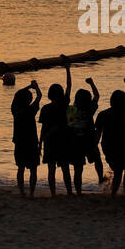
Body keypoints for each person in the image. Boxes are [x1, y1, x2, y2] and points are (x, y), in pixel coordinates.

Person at [39, 63, 73, 196]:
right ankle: (70, 192)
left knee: (51, 169)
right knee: (65, 169)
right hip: (64, 140)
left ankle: (53, 193)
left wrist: (39, 143)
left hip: (50, 141)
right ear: (61, 94)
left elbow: (43, 128)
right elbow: (69, 86)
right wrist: (68, 69)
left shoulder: (45, 109)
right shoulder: (65, 105)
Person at [10, 81, 41, 197]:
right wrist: (35, 87)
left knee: (21, 168)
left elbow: (17, 95)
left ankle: (22, 192)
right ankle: (32, 193)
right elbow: (39, 96)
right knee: (33, 169)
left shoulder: (15, 111)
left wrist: (28, 86)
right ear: (29, 100)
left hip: (19, 143)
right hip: (32, 143)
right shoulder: (31, 110)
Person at [96, 89, 125, 197]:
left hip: (107, 145)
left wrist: (94, 145)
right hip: (120, 144)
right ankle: (113, 192)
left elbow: (98, 134)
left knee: (116, 167)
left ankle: (111, 188)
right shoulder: (124, 115)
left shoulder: (103, 114)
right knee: (118, 169)